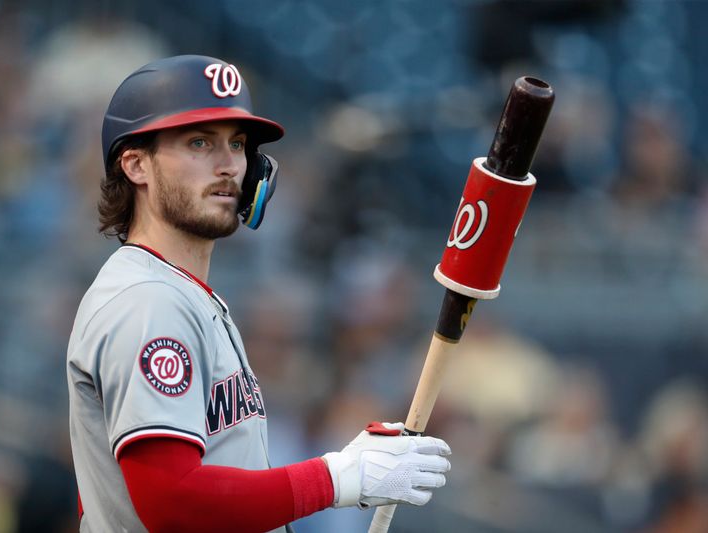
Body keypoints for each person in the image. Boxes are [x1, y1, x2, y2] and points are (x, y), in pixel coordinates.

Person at [66, 55, 452, 533]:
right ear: (136, 164)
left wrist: (348, 466)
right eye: (199, 142)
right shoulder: (148, 299)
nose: (229, 165)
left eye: (238, 144)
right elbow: (172, 502)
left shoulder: (182, 292)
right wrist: (337, 477)